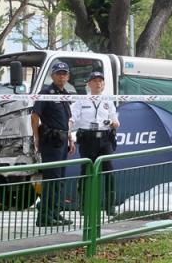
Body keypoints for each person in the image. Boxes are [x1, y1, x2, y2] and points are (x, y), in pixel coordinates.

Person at [31, 61, 76, 227]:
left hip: (63, 141)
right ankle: (44, 216)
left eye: (64, 74)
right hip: (50, 142)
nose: (61, 76)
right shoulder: (46, 92)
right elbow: (35, 116)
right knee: (51, 180)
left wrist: (70, 139)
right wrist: (36, 138)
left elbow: (67, 120)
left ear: (68, 76)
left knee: (60, 179)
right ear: (52, 76)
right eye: (58, 73)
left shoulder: (64, 94)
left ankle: (55, 212)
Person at [70, 71, 120, 215]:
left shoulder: (108, 100)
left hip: (105, 138)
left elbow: (116, 122)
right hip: (87, 139)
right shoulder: (81, 100)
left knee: (109, 171)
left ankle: (110, 207)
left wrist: (111, 122)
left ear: (104, 84)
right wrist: (68, 129)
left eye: (101, 81)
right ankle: (84, 206)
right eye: (95, 81)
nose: (98, 84)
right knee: (86, 171)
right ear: (89, 84)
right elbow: (72, 118)